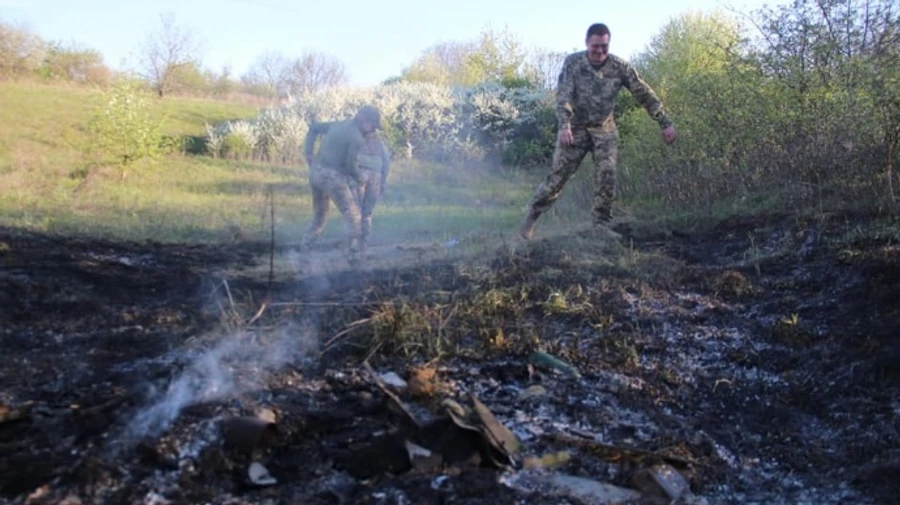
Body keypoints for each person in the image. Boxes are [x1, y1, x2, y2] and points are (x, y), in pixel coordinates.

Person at [519, 23, 677, 241]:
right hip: (575, 128)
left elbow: (644, 93)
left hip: (604, 128)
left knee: (607, 175)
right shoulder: (573, 63)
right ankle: (531, 218)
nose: (600, 51)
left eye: (604, 46)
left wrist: (665, 123)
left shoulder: (619, 67)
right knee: (557, 180)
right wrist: (564, 125)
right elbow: (563, 96)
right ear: (587, 43)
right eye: (596, 46)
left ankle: (601, 226)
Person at [302, 105, 382, 258]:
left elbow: (314, 128)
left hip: (315, 173)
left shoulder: (338, 125)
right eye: (372, 126)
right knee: (354, 217)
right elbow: (350, 167)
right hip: (332, 178)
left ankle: (304, 253)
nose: (373, 130)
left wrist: (309, 153)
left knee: (319, 216)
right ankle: (351, 257)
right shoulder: (357, 139)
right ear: (363, 120)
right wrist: (361, 178)